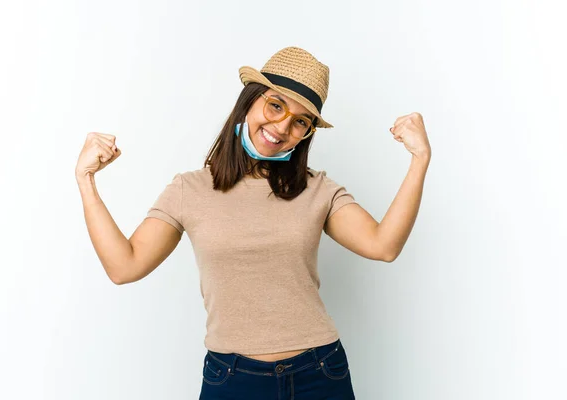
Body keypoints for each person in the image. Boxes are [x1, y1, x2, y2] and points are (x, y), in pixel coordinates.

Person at [75, 46, 431, 399]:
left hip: (319, 373)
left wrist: (419, 159)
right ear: (249, 101)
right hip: (231, 379)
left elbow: (383, 246)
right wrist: (86, 180)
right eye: (276, 105)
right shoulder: (189, 189)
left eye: (300, 121)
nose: (282, 127)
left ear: (306, 133)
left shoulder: (318, 189)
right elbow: (124, 266)